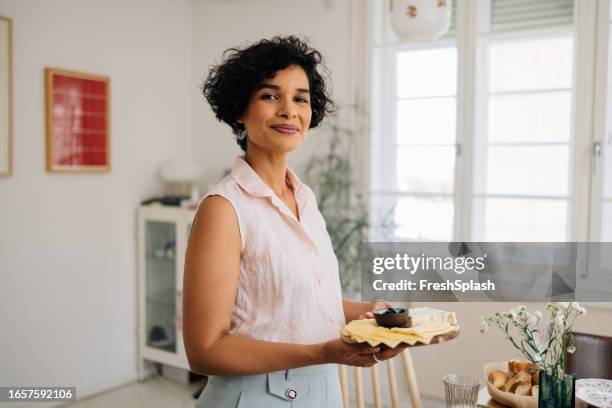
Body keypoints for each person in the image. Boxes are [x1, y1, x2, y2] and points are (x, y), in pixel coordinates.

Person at [183, 36, 407, 408]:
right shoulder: (224, 208)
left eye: (300, 98)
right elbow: (205, 350)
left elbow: (299, 301)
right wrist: (321, 352)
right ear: (240, 109)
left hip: (321, 390)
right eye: (271, 96)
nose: (289, 110)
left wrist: (373, 310)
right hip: (255, 396)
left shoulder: (304, 198)